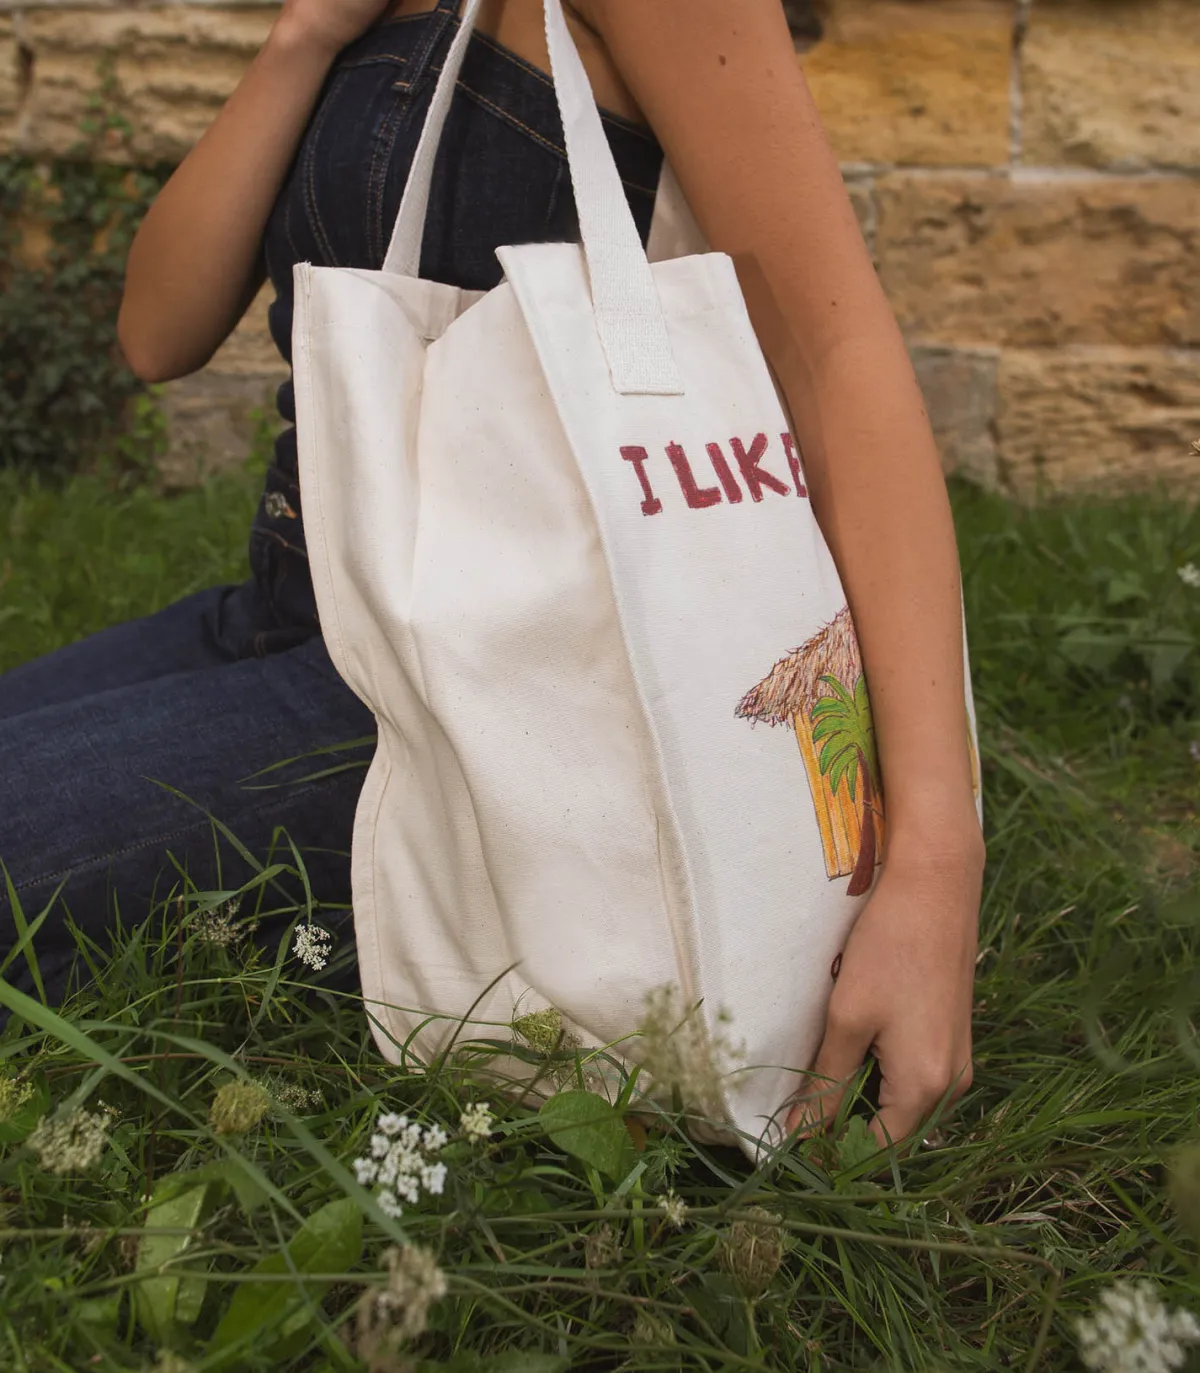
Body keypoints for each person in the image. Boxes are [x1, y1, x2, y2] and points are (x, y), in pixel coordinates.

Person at [0, 0, 985, 1150]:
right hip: (288, 610)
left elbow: (842, 361)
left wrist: (935, 858)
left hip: (486, 703)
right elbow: (154, 332)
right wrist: (304, 37)